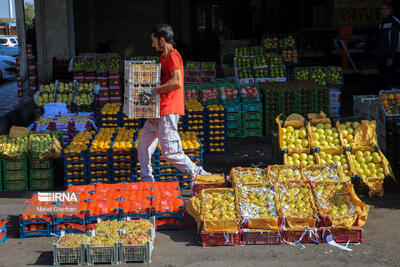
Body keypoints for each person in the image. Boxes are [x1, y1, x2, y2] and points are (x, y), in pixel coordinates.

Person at [137, 23, 210, 182]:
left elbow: (177, 82)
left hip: (168, 110)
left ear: (162, 40)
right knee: (143, 146)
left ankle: (200, 175)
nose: (152, 44)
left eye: (154, 41)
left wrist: (154, 91)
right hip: (158, 111)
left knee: (171, 152)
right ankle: (146, 180)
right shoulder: (163, 57)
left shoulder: (173, 56)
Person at [378, 2, 400, 89]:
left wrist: (391, 57)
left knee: (390, 78)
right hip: (384, 53)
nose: (381, 11)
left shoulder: (394, 22)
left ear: (390, 10)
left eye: (383, 9)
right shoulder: (383, 22)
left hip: (392, 54)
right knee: (383, 77)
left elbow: (394, 40)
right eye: (381, 9)